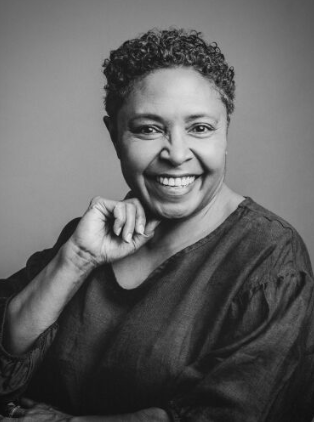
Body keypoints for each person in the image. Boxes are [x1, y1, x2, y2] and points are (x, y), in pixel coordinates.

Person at [0, 28, 314, 422]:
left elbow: (225, 415)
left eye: (200, 128)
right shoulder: (87, 238)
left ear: (226, 132)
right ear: (114, 135)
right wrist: (76, 260)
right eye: (149, 128)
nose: (178, 154)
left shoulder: (272, 260)